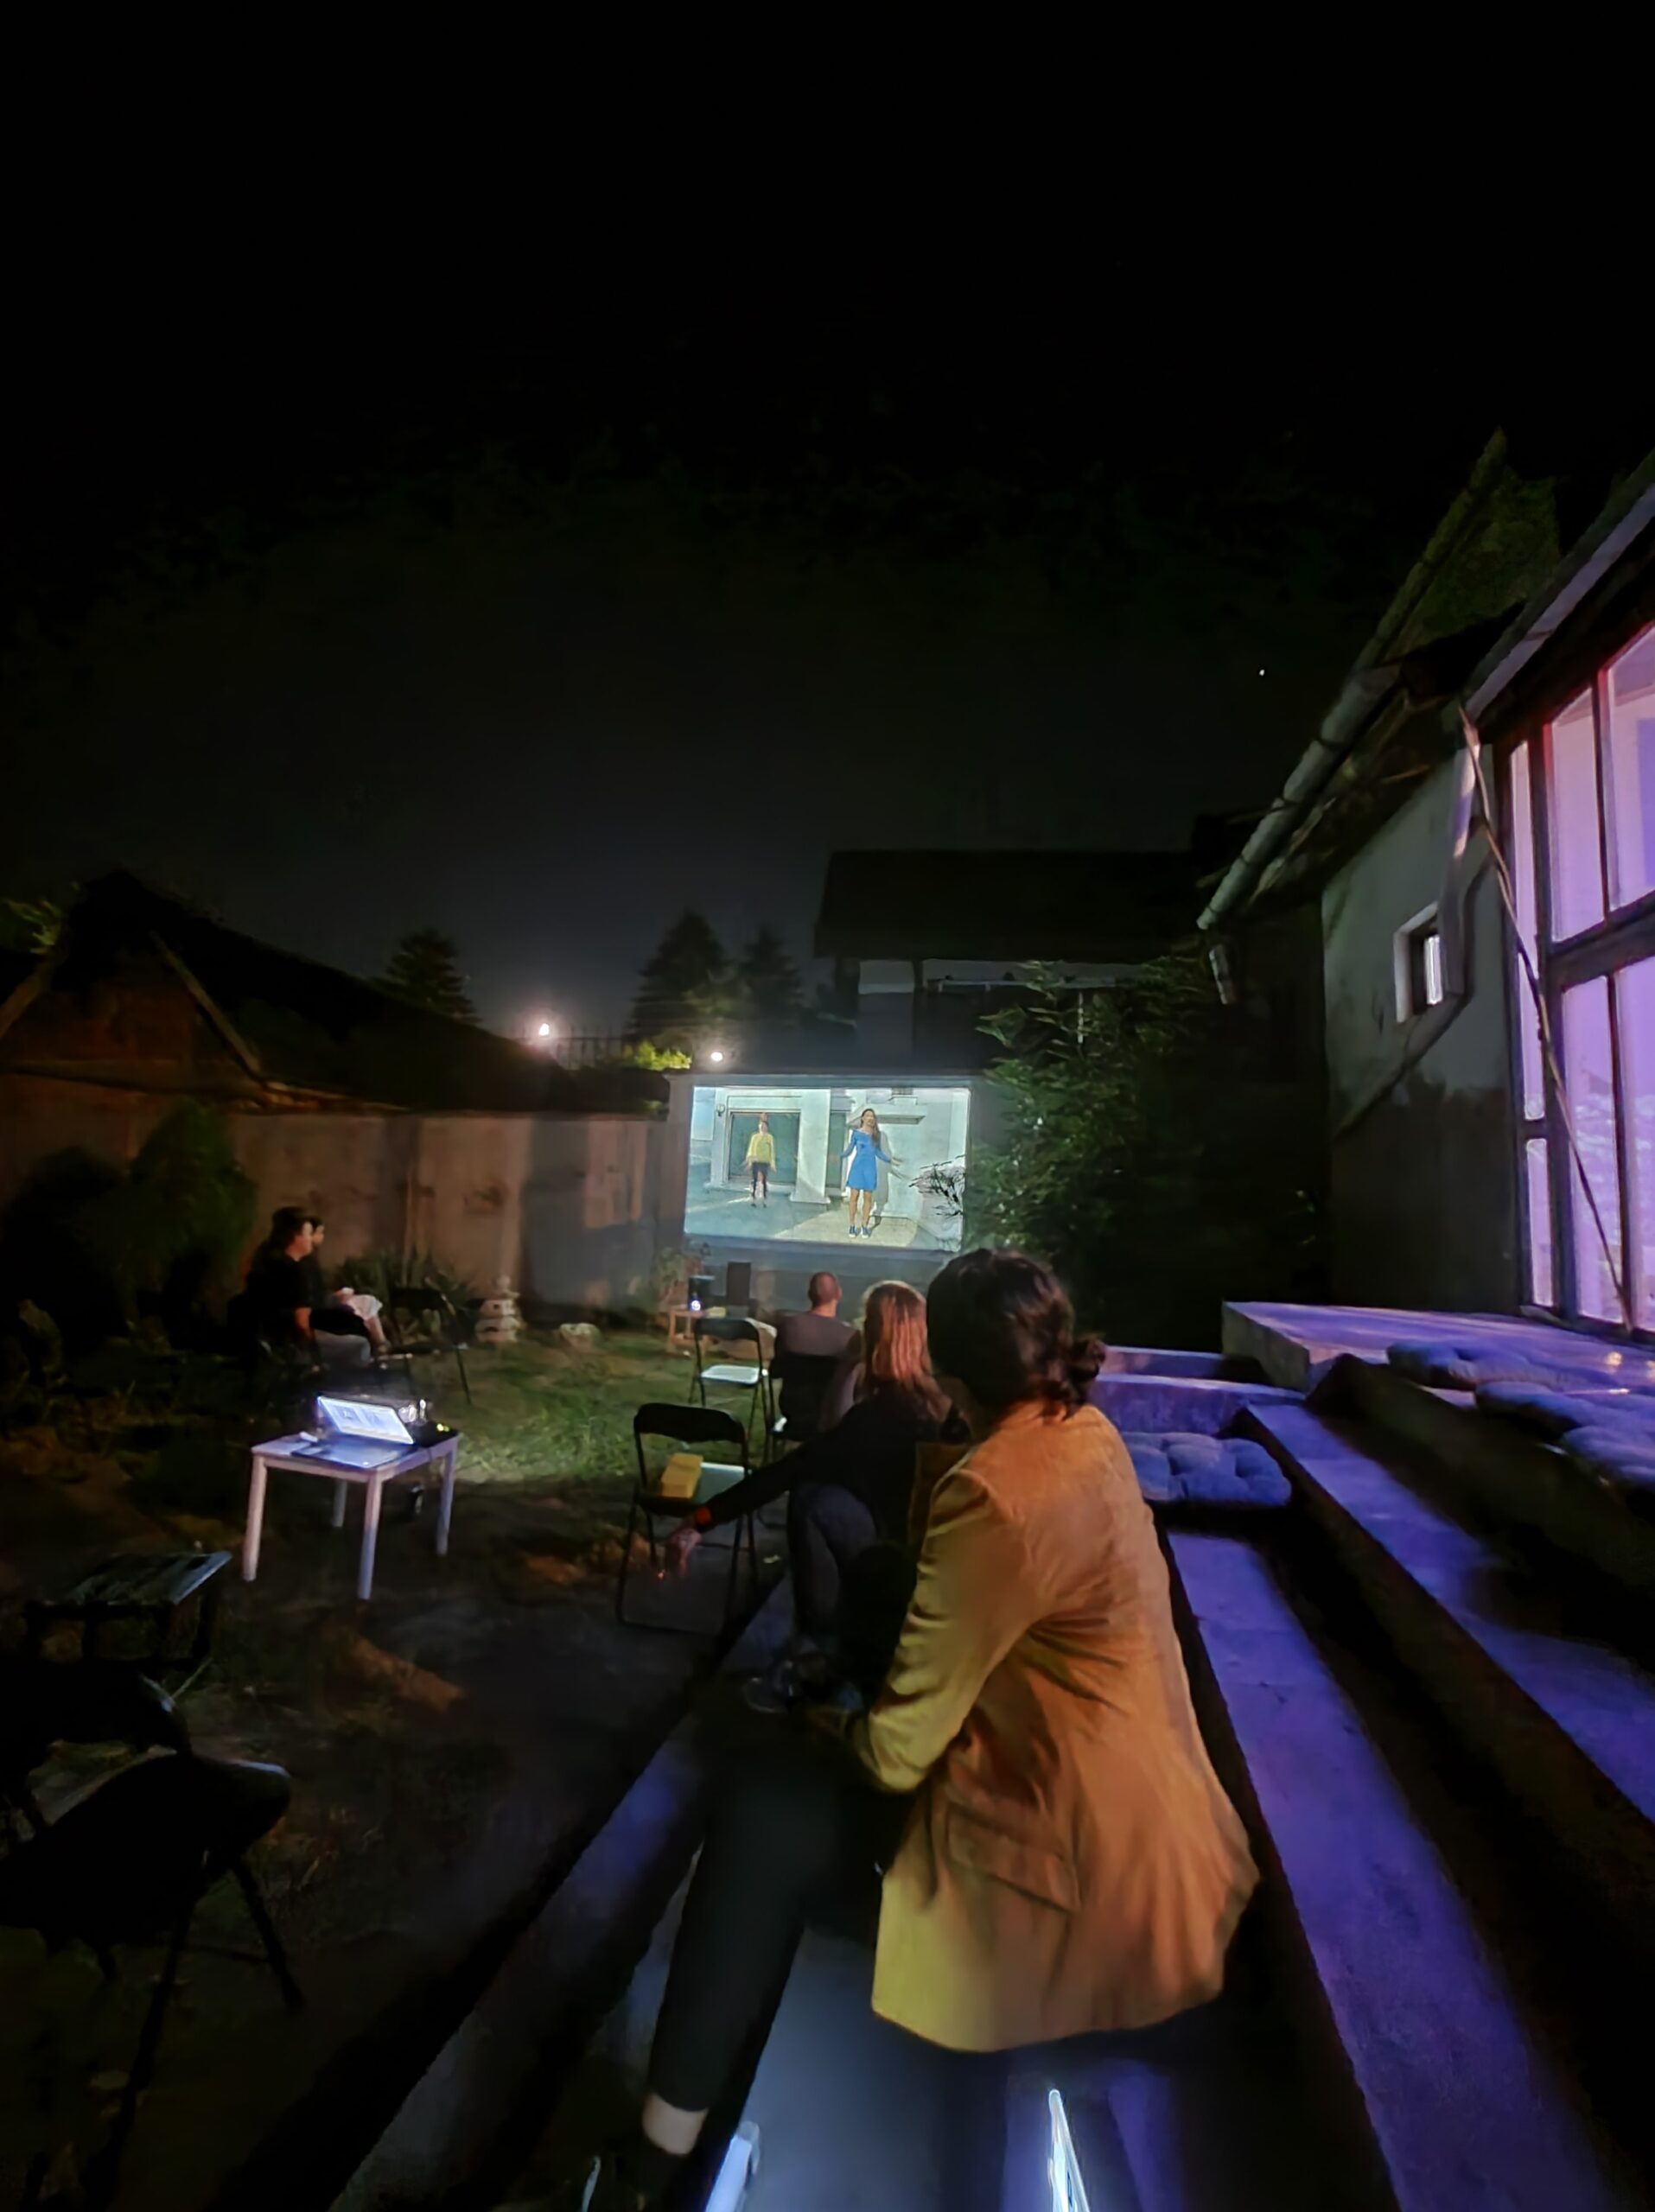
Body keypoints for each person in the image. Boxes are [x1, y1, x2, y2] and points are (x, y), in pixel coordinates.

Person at [579, 1249, 1258, 2209]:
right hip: (1153, 1844)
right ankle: (674, 2144)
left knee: (765, 1817)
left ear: (945, 1365)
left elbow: (897, 1754)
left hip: (1069, 1871)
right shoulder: (1086, 1432)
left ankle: (651, 2165)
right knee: (803, 1754)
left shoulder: (994, 1493)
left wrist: (822, 1724)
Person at [664, 1281, 952, 1643]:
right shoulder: (936, 1404)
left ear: (872, 1338)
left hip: (893, 1558)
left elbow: (789, 1470)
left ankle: (819, 1642)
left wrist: (701, 1519)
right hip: (933, 1557)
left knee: (812, 1499)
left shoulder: (876, 1418)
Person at [771, 1272, 854, 1440]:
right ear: (839, 1294)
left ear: (809, 1295)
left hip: (794, 1411)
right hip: (832, 1416)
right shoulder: (850, 1337)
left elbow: (776, 1370)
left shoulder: (789, 1326)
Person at [243, 1208, 315, 1349]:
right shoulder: (295, 1271)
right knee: (356, 1344)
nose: (311, 1239)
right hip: (286, 1343)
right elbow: (302, 1322)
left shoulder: (265, 1258)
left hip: (261, 1338)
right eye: (309, 1234)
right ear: (296, 1236)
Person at [841, 1106, 894, 1238]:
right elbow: (849, 1149)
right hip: (857, 1168)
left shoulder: (877, 1135)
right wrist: (839, 1156)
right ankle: (852, 1225)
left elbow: (878, 1152)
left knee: (868, 1198)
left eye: (872, 1116)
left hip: (870, 1169)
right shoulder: (856, 1133)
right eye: (868, 1116)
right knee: (854, 1197)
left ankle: (864, 1225)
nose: (870, 1118)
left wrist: (890, 1160)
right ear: (863, 1118)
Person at [743, 1113, 776, 1206]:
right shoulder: (755, 1137)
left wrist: (772, 1163)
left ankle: (764, 1198)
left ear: (767, 1127)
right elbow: (751, 1149)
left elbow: (772, 1151)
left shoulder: (769, 1137)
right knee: (754, 1180)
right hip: (755, 1161)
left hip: (765, 1161)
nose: (762, 1127)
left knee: (764, 1180)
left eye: (764, 1126)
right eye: (761, 1126)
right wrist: (749, 1161)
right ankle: (753, 1197)